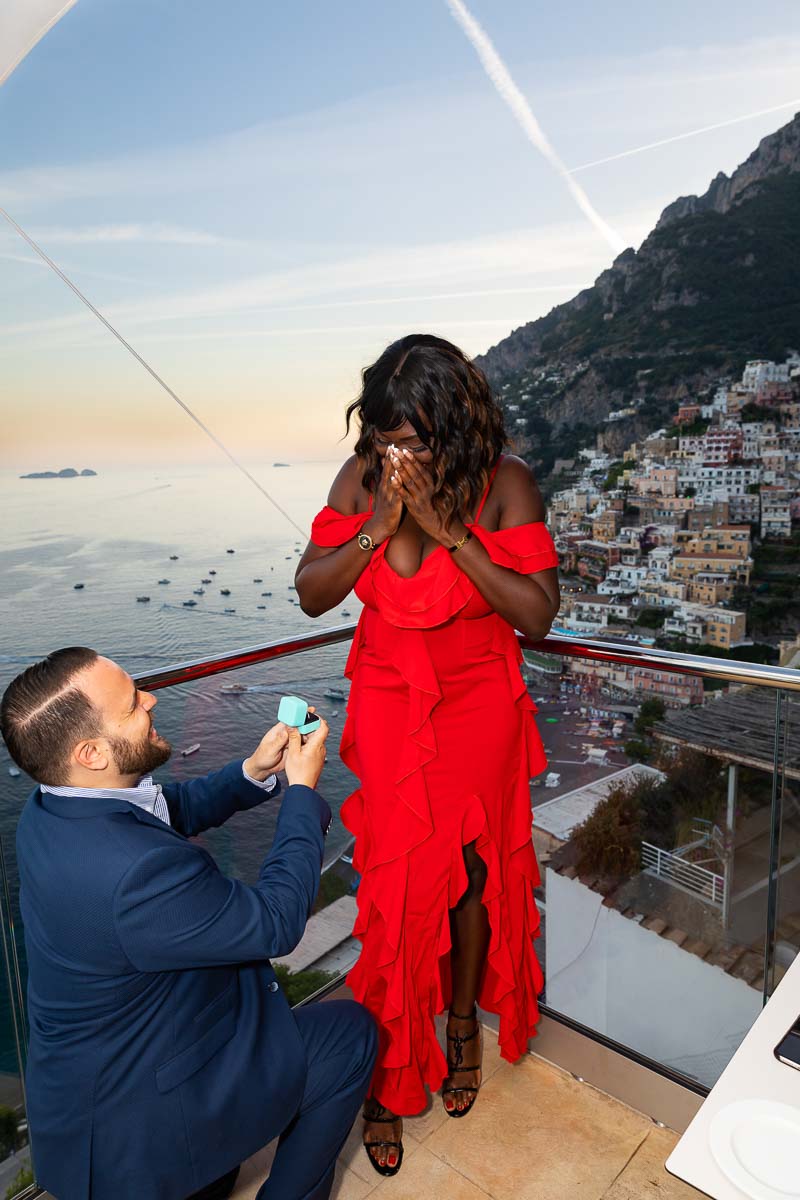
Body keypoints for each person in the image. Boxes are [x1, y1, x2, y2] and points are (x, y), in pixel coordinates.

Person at [295, 333, 560, 1175]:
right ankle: (385, 1078)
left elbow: (537, 614)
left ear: (453, 423)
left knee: (473, 877)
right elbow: (310, 593)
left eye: (409, 439)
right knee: (396, 895)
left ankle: (457, 1024)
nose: (392, 453)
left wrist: (454, 534)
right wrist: (379, 525)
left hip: (478, 709)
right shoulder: (362, 481)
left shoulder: (505, 482)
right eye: (381, 437)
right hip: (390, 702)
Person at [1, 648, 377, 1200]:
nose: (152, 700)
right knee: (350, 1036)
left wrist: (254, 774)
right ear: (92, 752)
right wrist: (301, 793)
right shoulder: (134, 872)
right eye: (132, 705)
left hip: (96, 1081)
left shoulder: (50, 809)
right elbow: (275, 922)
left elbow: (161, 810)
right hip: (141, 1121)